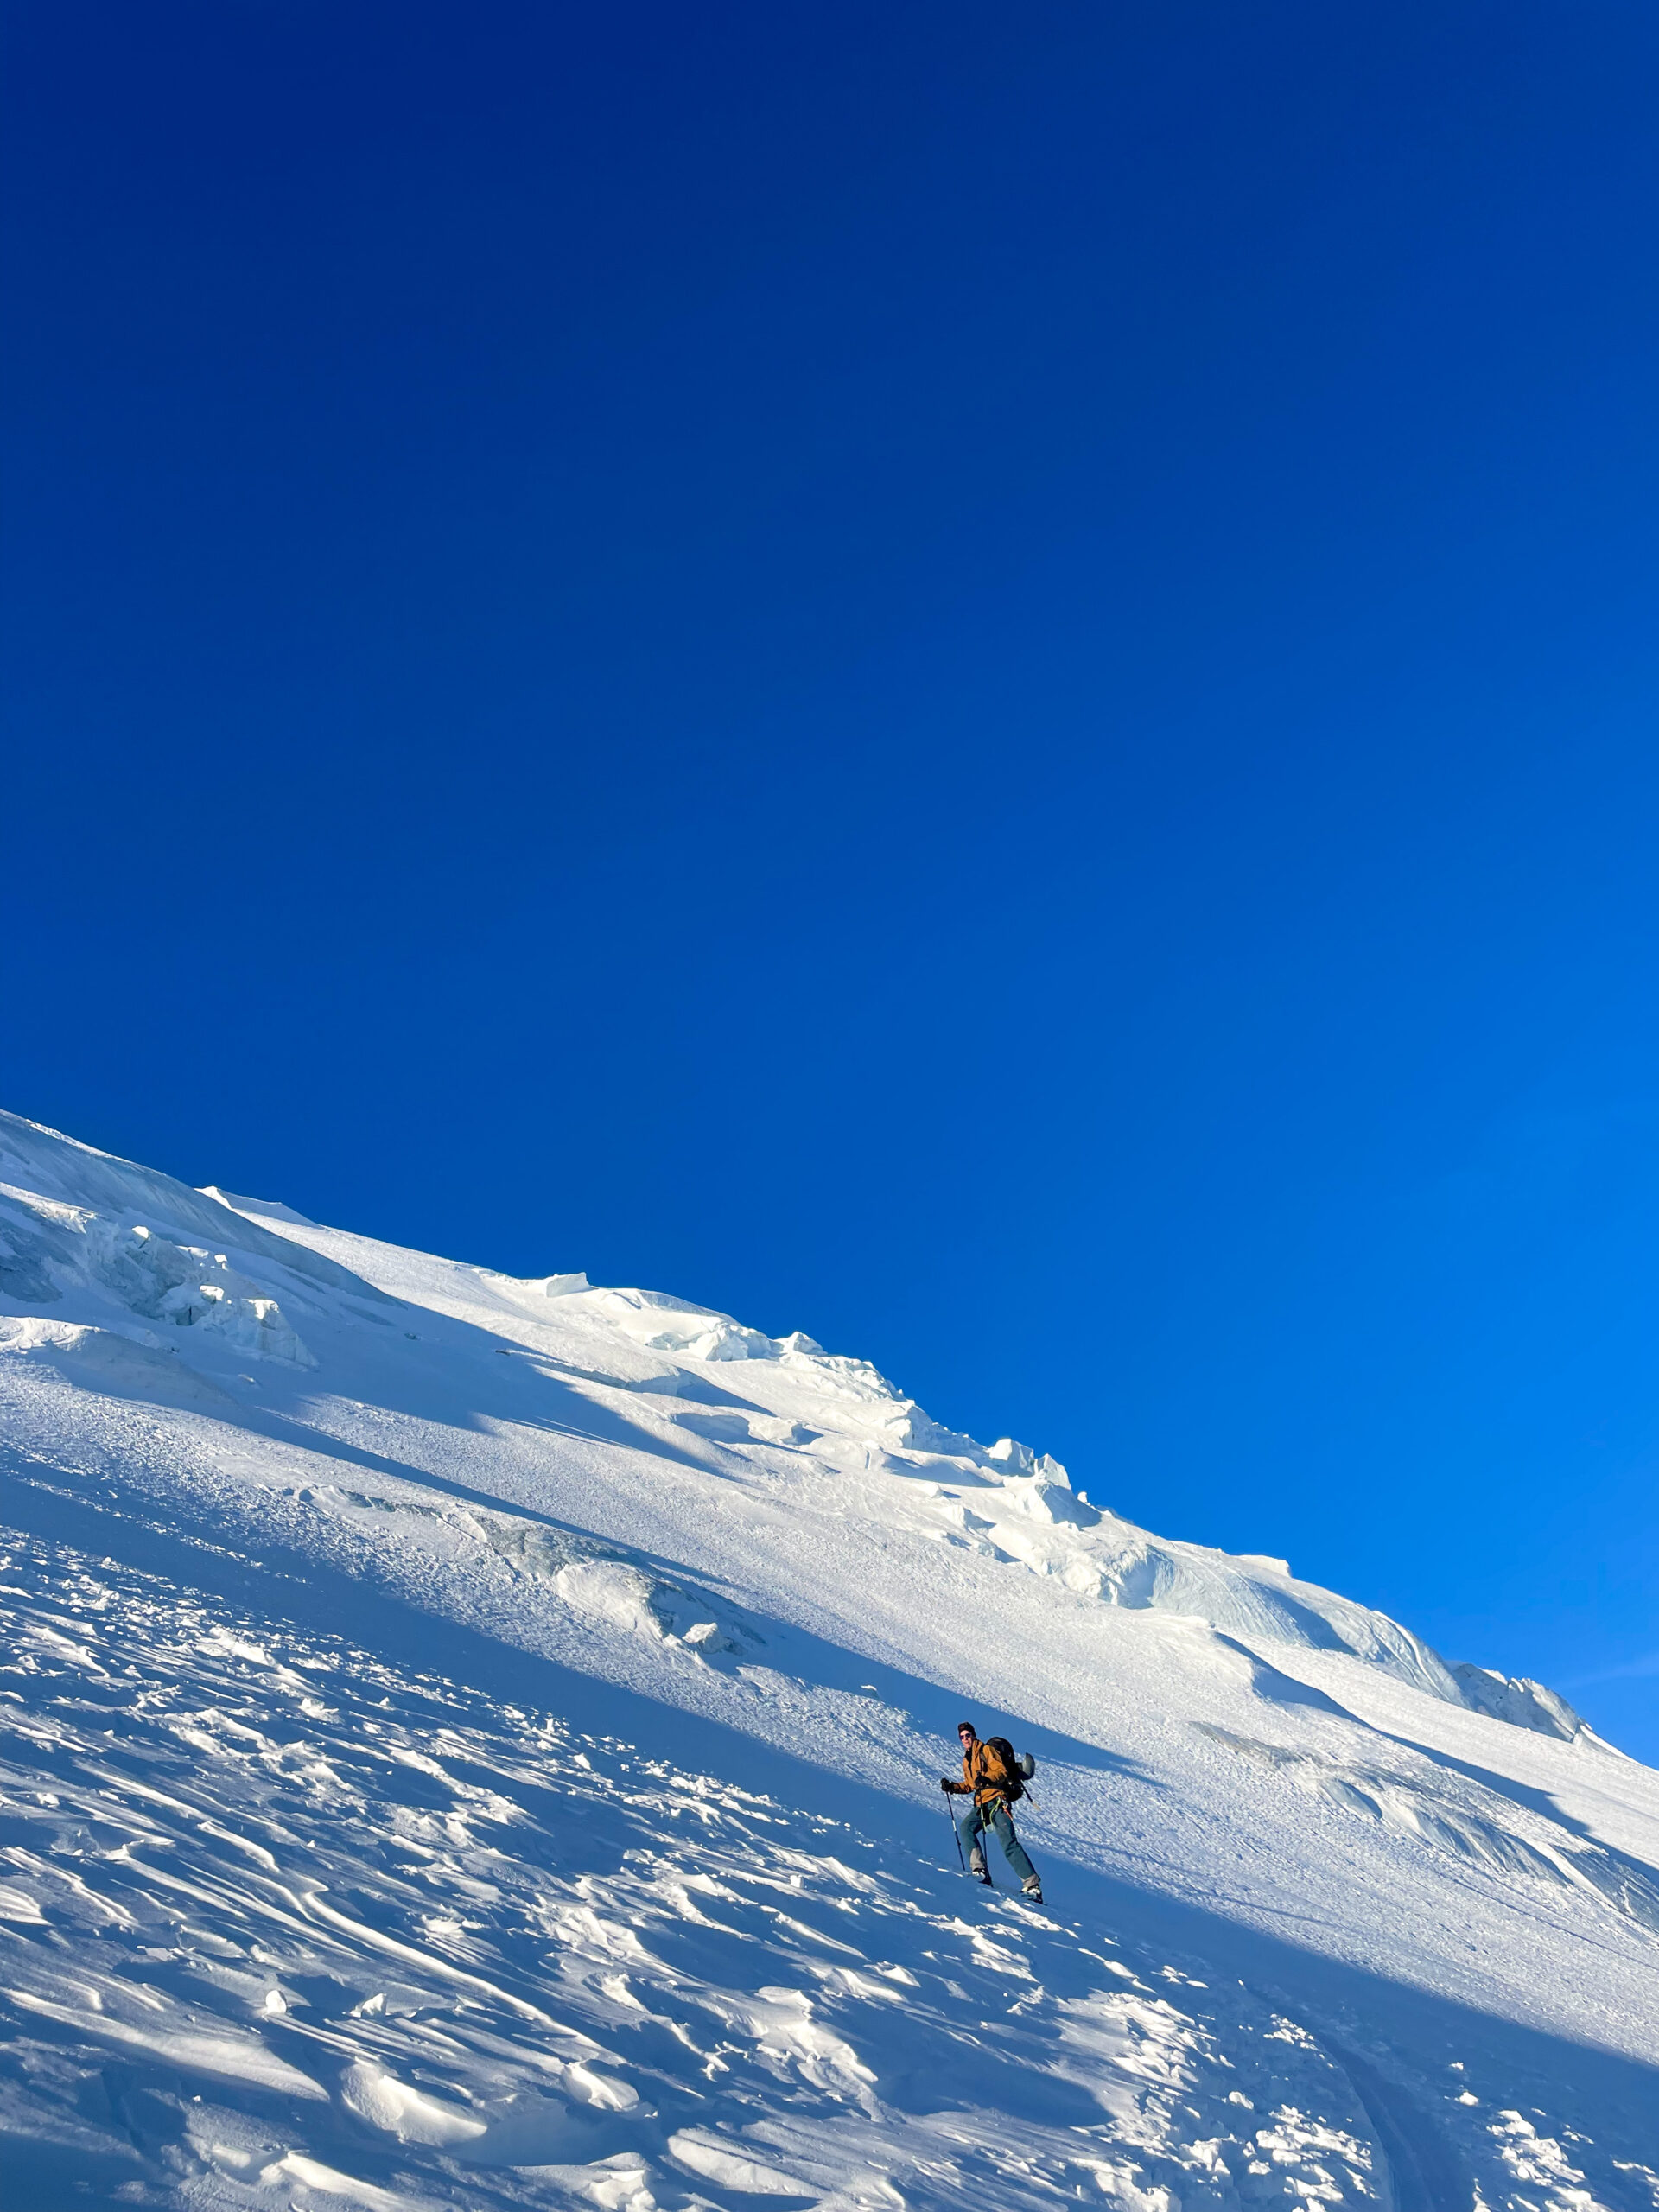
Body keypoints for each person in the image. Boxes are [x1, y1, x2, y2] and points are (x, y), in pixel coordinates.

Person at [942, 1719, 1042, 1901]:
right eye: (962, 1737)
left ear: (974, 1735)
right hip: (981, 1805)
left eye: (968, 1735)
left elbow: (1000, 1771)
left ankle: (1033, 1886)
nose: (965, 1739)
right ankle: (979, 1870)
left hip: (997, 1801)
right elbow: (971, 1785)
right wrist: (953, 1787)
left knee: (1008, 1843)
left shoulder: (986, 1750)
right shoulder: (967, 1759)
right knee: (966, 1828)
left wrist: (986, 1779)